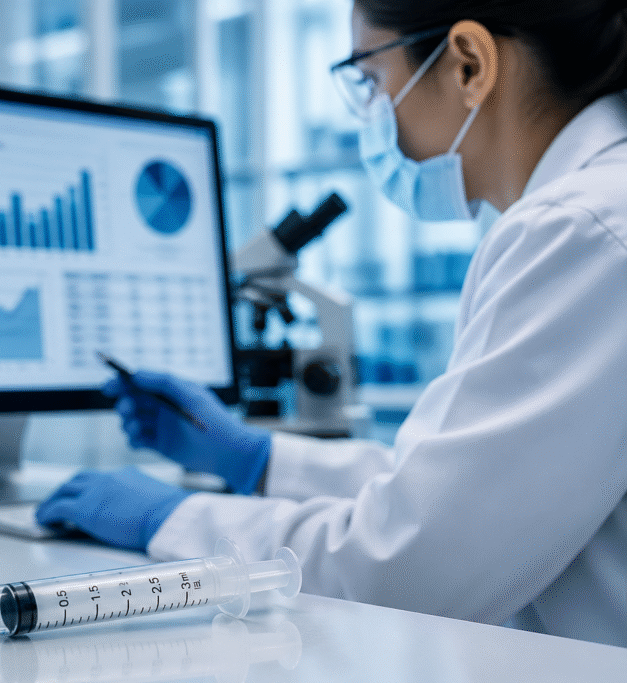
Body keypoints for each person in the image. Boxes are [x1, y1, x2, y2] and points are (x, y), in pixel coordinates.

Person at [36, 0, 627, 648]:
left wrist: (173, 518)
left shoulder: (583, 231)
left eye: (372, 81)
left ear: (468, 64)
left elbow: (409, 569)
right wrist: (257, 459)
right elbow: (462, 493)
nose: (372, 117)